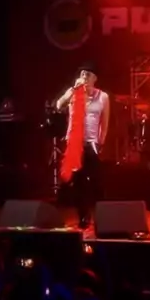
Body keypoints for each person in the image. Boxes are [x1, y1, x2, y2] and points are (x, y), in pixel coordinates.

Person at [55, 62, 110, 229]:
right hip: (75, 144)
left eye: (88, 74)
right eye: (82, 74)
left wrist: (101, 141)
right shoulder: (73, 92)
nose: (84, 77)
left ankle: (102, 216)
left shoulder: (103, 97)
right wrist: (72, 90)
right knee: (78, 183)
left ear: (95, 78)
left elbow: (104, 122)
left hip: (92, 143)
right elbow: (58, 105)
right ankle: (83, 217)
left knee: (95, 181)